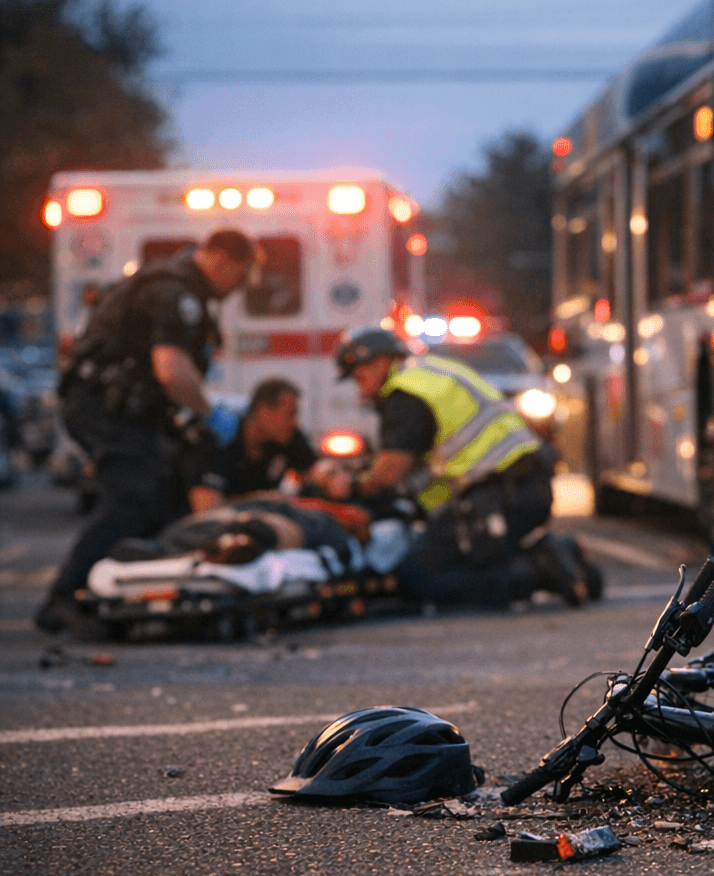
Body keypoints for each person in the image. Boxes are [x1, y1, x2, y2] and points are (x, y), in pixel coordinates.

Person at [35, 229, 259, 632]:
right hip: (103, 406)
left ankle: (128, 587)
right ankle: (64, 597)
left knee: (161, 490)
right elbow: (171, 369)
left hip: (121, 408)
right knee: (132, 494)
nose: (240, 288)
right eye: (241, 276)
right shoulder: (175, 292)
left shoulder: (177, 286)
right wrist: (208, 413)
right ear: (223, 259)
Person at [325, 326, 592, 607]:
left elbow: (390, 473)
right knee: (454, 555)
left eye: (359, 377)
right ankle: (565, 558)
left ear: (380, 361)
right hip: (522, 487)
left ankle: (537, 570)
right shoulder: (429, 372)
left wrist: (351, 486)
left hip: (500, 495)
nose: (361, 389)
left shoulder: (404, 393)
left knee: (418, 576)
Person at [196, 377, 318, 508]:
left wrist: (330, 475)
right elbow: (206, 508)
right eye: (290, 413)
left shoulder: (287, 436)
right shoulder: (220, 439)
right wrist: (261, 501)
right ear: (262, 410)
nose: (294, 422)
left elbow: (315, 470)